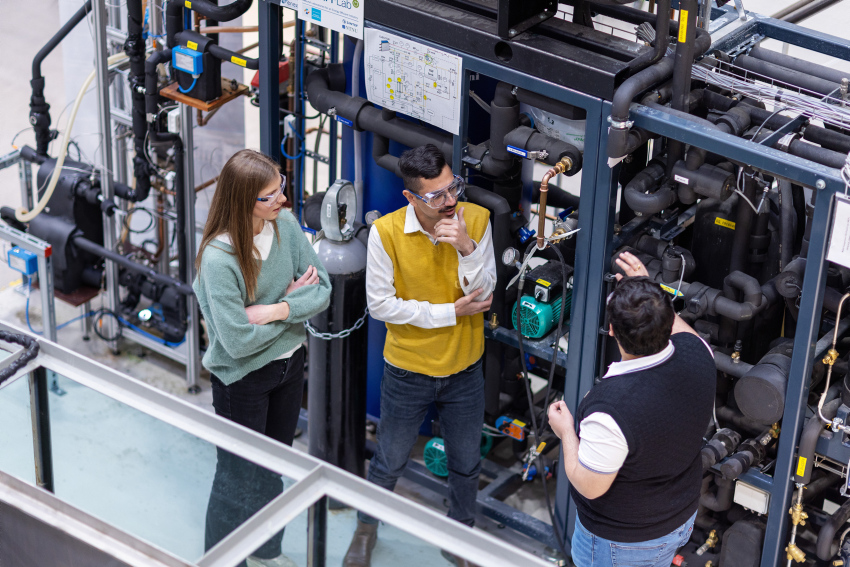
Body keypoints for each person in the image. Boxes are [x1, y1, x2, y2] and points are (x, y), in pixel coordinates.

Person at [342, 144, 496, 567]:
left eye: (454, 189)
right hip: (408, 371)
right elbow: (381, 305)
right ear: (411, 197)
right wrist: (448, 312)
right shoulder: (386, 233)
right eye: (437, 196)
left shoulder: (477, 221)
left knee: (466, 461)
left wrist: (466, 247)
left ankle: (458, 535)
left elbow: (482, 297)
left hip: (465, 368)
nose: (451, 202)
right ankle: (366, 529)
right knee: (390, 458)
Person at [193, 149, 331, 567]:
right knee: (236, 477)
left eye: (280, 190)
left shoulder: (284, 226)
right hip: (242, 380)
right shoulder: (219, 261)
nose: (283, 201)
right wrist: (292, 311)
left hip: (290, 368)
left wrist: (275, 310)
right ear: (242, 201)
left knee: (273, 467)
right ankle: (222, 560)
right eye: (270, 196)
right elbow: (236, 343)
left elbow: (322, 288)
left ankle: (266, 551)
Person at [548, 251, 715, 567]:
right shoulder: (698, 353)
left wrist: (566, 431)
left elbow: (589, 485)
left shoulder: (611, 410)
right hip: (679, 516)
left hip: (624, 544)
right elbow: (675, 326)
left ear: (611, 330)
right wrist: (648, 289)